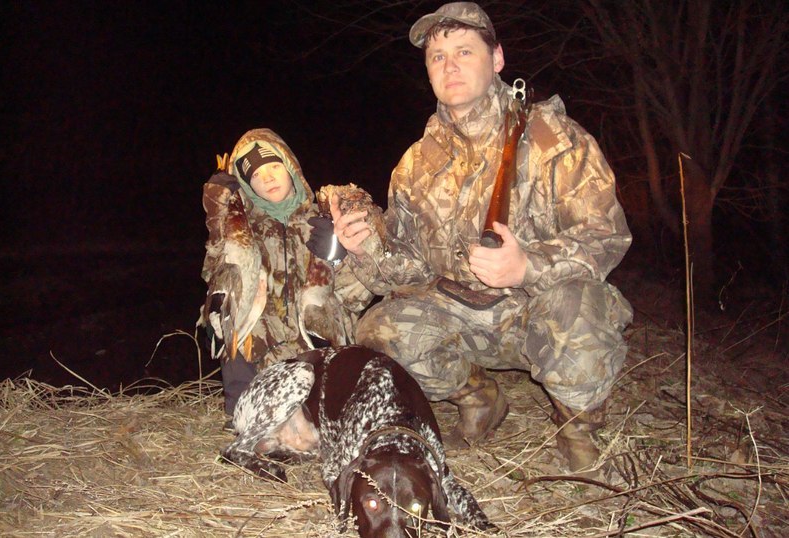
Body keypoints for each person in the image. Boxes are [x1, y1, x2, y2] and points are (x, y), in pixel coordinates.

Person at [318, 2, 633, 476]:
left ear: (497, 58)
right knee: (378, 331)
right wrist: (369, 249)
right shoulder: (414, 164)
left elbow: (606, 235)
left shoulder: (554, 138)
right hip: (462, 315)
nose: (450, 66)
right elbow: (410, 269)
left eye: (464, 51)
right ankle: (480, 397)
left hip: (537, 309)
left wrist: (528, 266)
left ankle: (578, 433)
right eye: (437, 57)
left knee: (580, 308)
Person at [197, 128, 373, 418]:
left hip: (315, 345)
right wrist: (218, 214)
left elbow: (356, 298)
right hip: (265, 349)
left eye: (274, 166)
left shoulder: (325, 221)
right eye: (255, 175)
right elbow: (213, 271)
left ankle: (328, 400)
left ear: (291, 167)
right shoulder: (243, 231)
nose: (267, 178)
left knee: (319, 417)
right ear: (246, 185)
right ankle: (242, 410)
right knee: (228, 307)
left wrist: (341, 256)